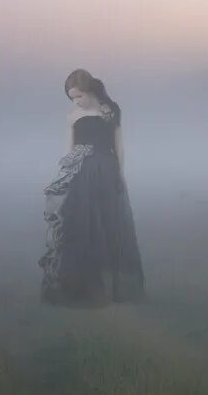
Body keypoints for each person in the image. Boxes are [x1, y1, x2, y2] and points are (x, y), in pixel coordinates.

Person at [38, 69, 147, 307]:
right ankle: (81, 287)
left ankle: (112, 288)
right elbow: (69, 149)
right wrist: (64, 176)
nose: (76, 102)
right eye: (72, 98)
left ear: (89, 91)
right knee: (80, 225)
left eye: (78, 96)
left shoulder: (110, 110)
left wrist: (119, 173)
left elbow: (119, 146)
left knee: (109, 226)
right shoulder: (73, 115)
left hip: (106, 172)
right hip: (81, 174)